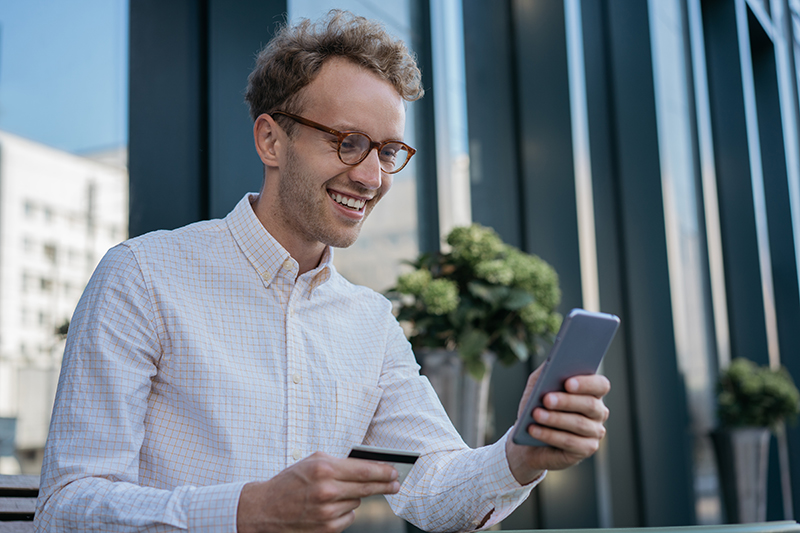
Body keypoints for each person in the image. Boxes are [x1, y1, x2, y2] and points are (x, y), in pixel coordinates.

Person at [35, 10, 610, 533]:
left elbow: (432, 486)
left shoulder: (369, 322)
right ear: (271, 139)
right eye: (348, 142)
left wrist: (520, 455)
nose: (372, 177)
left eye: (387, 152)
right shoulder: (142, 276)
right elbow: (65, 508)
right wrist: (246, 511)